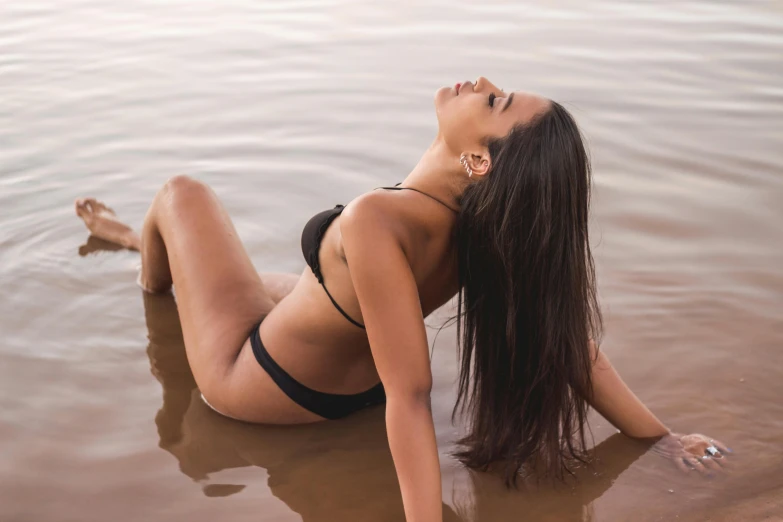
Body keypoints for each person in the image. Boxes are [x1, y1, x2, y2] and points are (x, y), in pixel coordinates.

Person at [75, 77, 730, 522]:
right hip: (348, 370)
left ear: (478, 162)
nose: (477, 82)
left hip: (255, 387)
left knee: (183, 194)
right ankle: (159, 255)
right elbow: (567, 345)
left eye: (495, 99)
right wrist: (663, 438)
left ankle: (143, 254)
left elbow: (411, 396)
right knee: (288, 280)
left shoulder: (374, 221)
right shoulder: (483, 227)